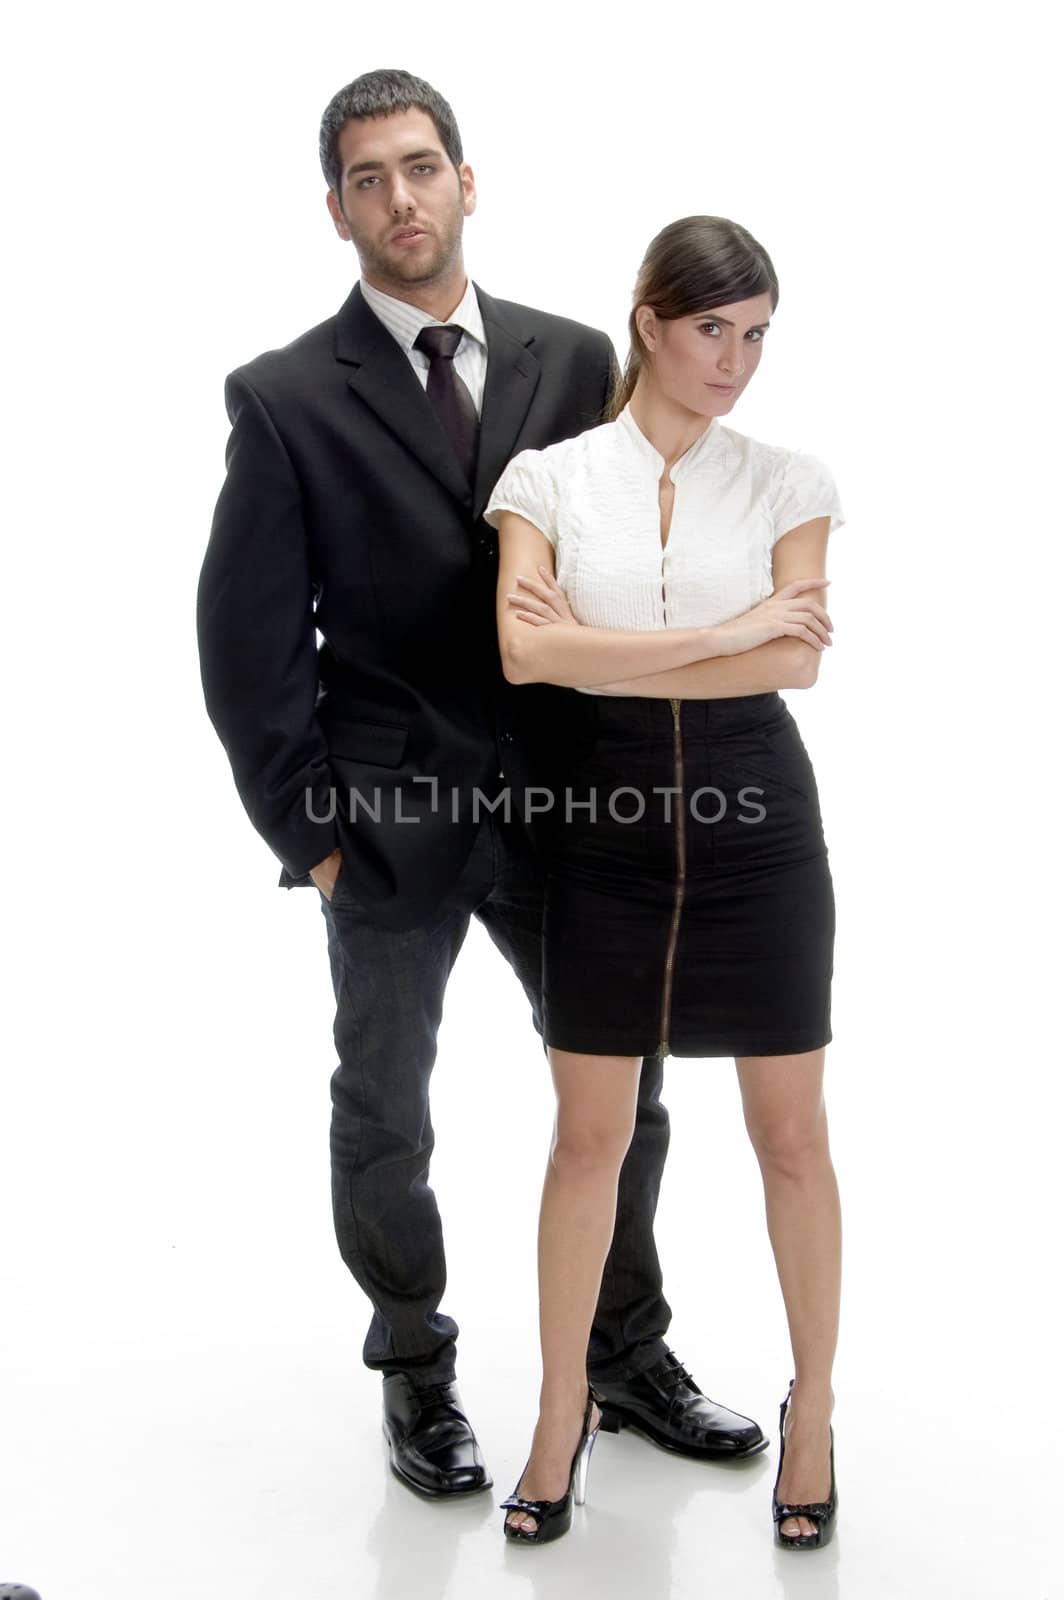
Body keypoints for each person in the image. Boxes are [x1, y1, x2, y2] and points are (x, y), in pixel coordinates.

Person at [196, 72, 766, 1502]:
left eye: (422, 166)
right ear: (337, 210)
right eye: (370, 178)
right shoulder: (280, 401)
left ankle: (624, 1353)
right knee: (387, 1106)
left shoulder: (576, 364)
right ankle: (416, 1364)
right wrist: (311, 836)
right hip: (387, 824)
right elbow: (245, 642)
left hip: (578, 808)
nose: (402, 197)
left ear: (468, 181)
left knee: (628, 1098)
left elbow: (654, 534)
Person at [486, 215, 845, 1548]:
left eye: (757, 337)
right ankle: (558, 1408)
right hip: (603, 816)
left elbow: (792, 667)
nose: (737, 362)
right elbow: (526, 663)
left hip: (759, 821)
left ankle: (813, 1412)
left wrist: (616, 644)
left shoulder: (789, 479)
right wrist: (727, 628)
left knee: (791, 1138)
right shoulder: (549, 479)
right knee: (591, 1137)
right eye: (713, 331)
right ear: (648, 322)